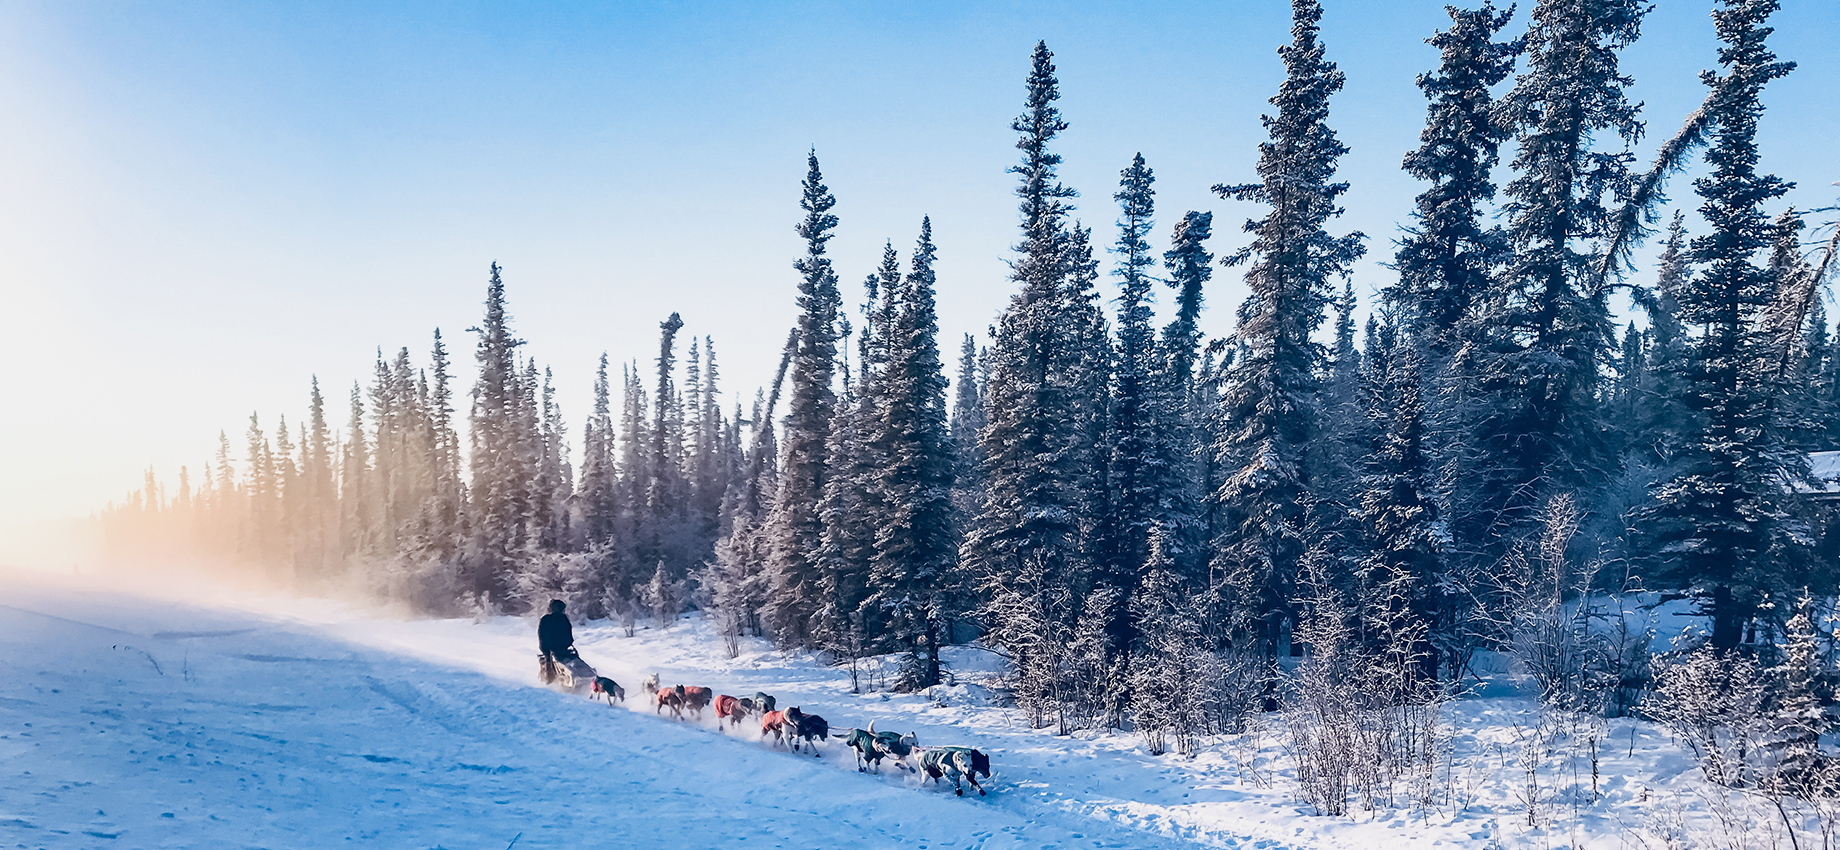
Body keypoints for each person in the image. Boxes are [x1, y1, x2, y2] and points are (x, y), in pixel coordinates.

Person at [538, 599, 577, 663]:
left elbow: (542, 636)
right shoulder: (563, 618)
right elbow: (569, 636)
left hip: (548, 650)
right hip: (562, 649)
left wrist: (546, 650)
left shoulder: (545, 619)